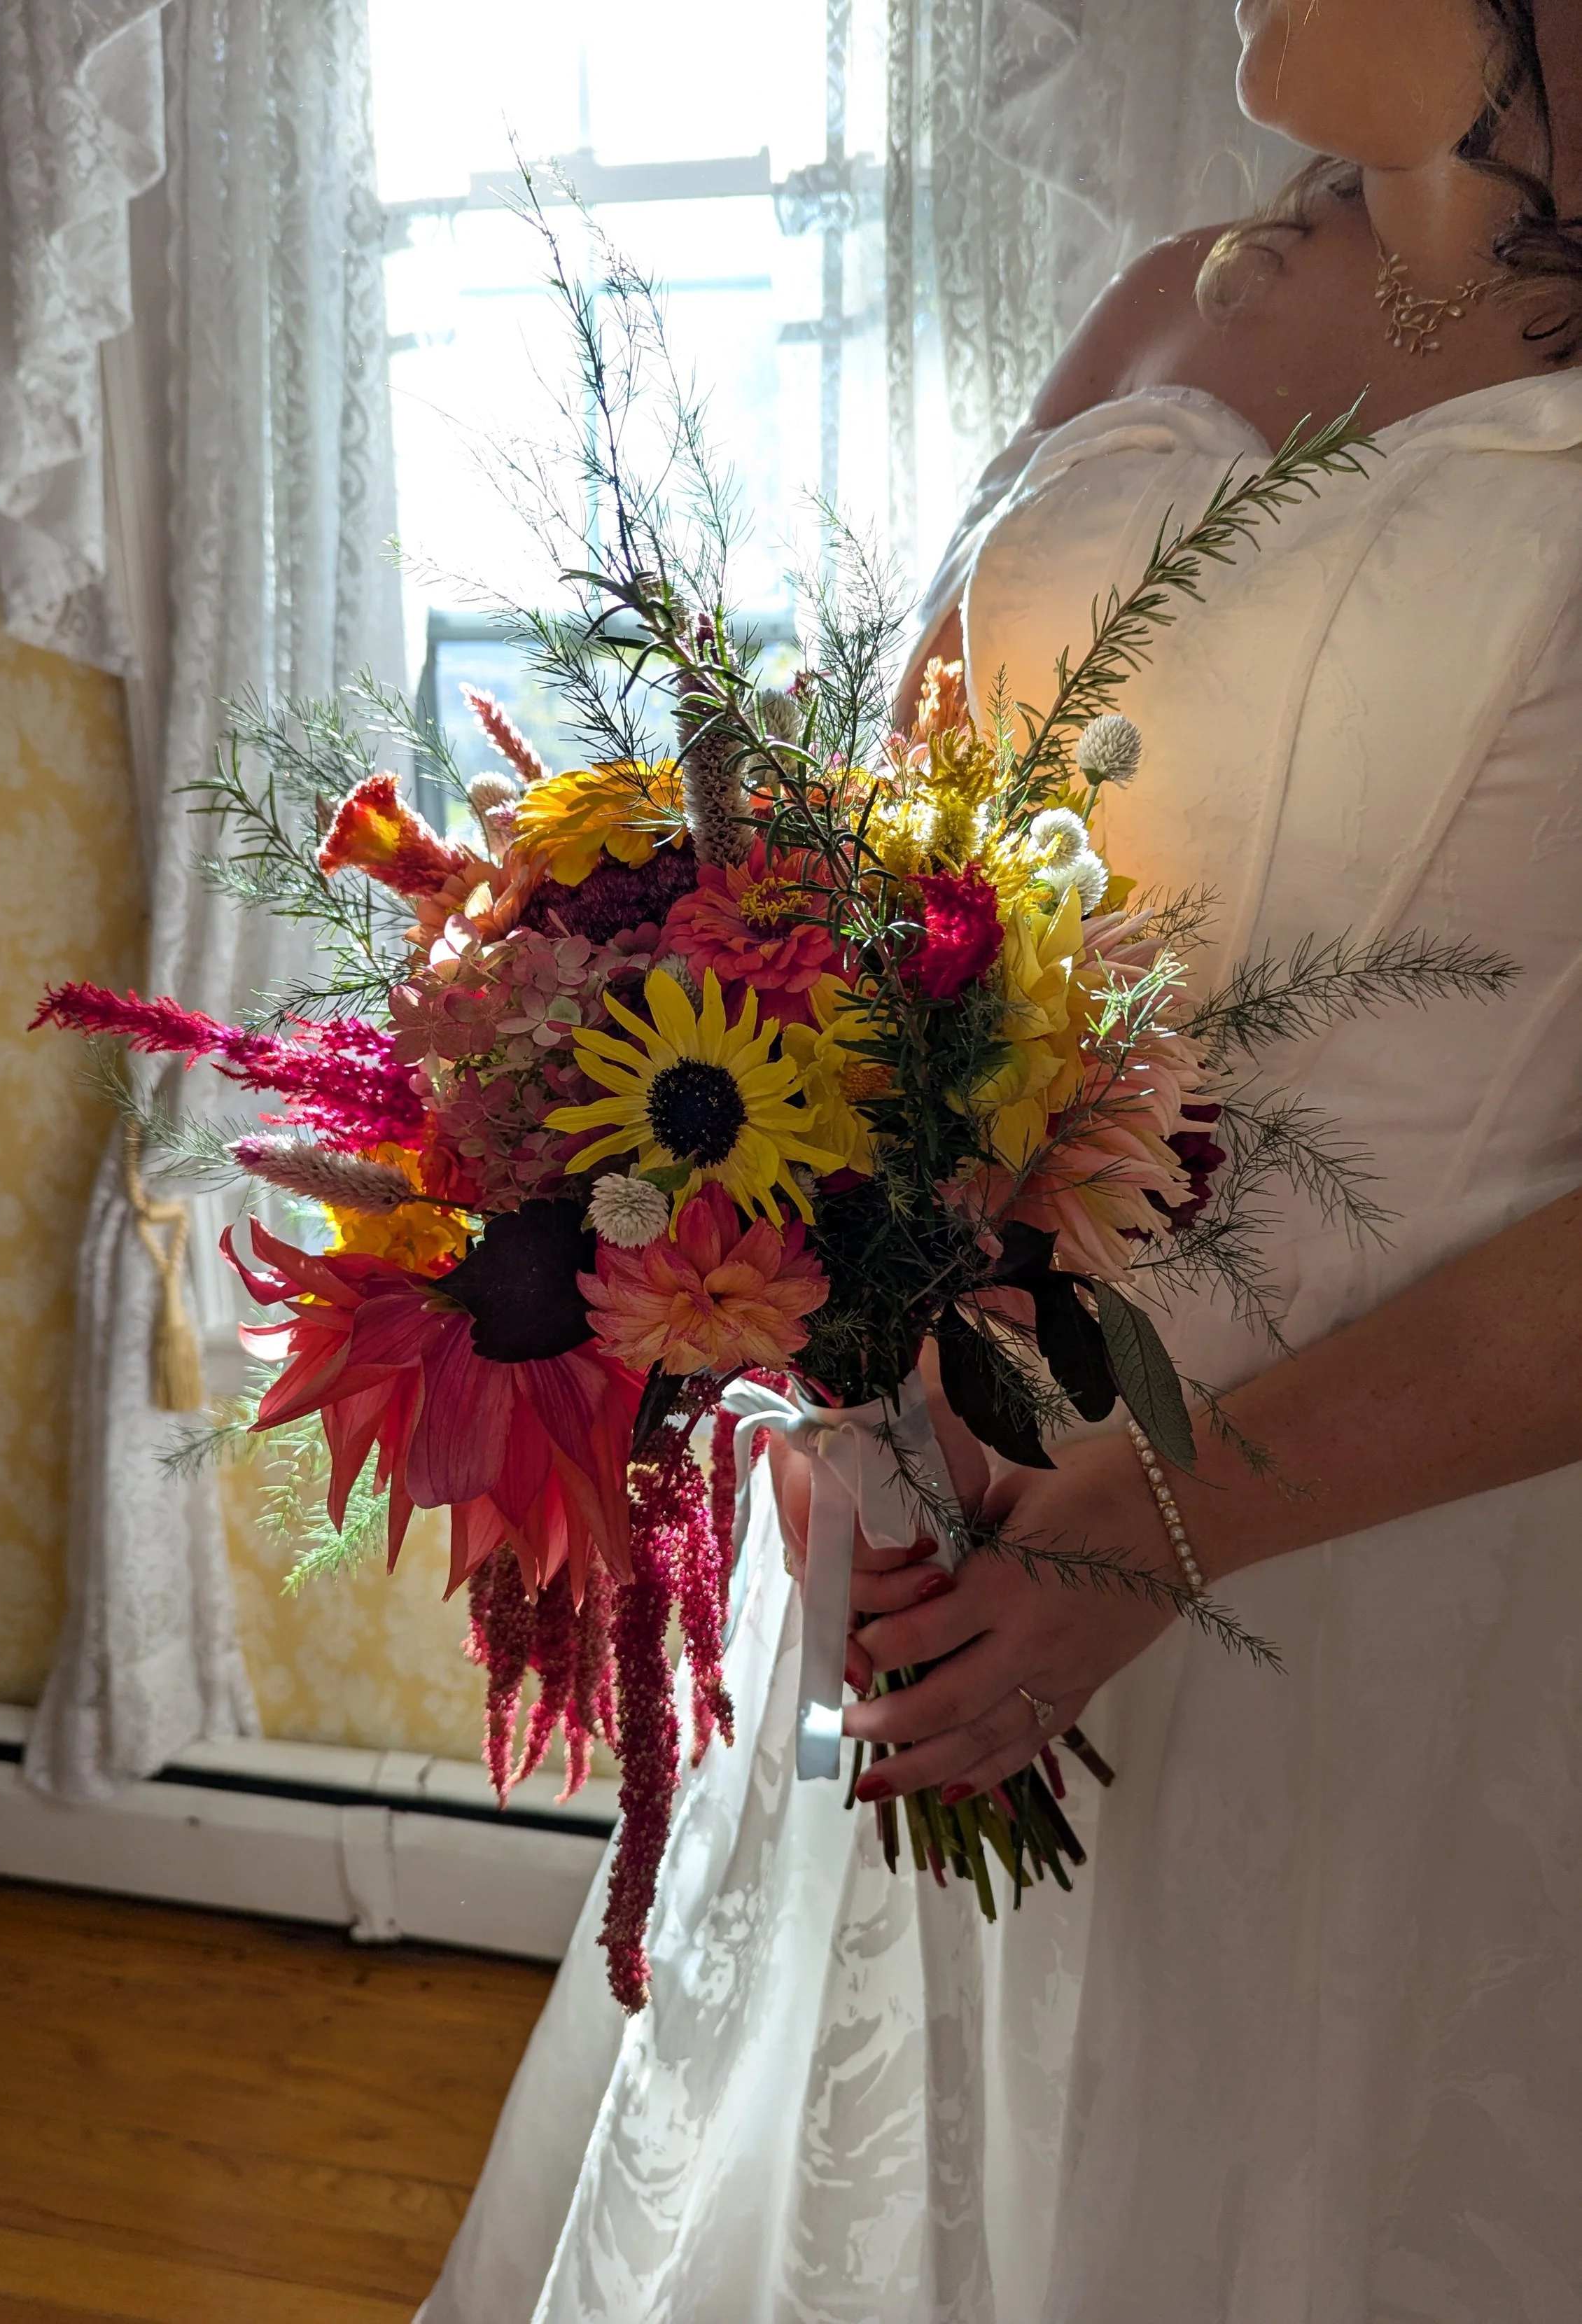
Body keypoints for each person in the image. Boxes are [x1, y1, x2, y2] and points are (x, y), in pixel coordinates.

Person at [422, 4, 1582, 2316]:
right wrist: (812, 1327)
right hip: (931, 1499)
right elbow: (896, 900)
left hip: (1380, 1567)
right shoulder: (1177, 295)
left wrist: (1149, 1536)